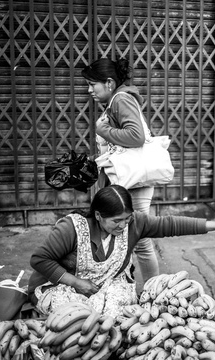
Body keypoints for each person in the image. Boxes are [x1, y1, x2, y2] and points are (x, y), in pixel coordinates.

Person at [28, 185, 215, 318]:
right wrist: (76, 283)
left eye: (127, 219)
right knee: (78, 318)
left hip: (108, 284)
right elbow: (39, 259)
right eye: (116, 221)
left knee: (118, 318)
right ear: (99, 216)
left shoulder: (134, 223)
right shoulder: (71, 228)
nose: (123, 226)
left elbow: (170, 224)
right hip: (65, 285)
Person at [81, 57, 159, 288]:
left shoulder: (120, 99)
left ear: (108, 83)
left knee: (140, 239)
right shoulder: (120, 99)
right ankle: (132, 290)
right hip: (129, 181)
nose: (89, 90)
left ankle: (154, 293)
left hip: (133, 184)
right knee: (129, 238)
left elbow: (136, 137)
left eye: (91, 84)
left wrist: (102, 129)